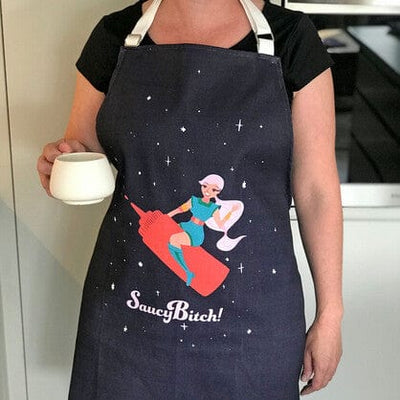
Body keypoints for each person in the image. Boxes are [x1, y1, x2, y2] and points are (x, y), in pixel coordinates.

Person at [37, 0, 343, 398]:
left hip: (251, 325)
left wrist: (330, 314)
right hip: (130, 320)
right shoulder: (114, 36)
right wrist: (61, 163)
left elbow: (317, 191)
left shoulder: (292, 39)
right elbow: (84, 151)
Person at [167, 174, 245, 286]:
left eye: (213, 189)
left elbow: (220, 224)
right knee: (168, 232)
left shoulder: (213, 208)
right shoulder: (193, 200)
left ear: (217, 192)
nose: (208, 191)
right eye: (205, 186)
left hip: (196, 234)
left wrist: (231, 211)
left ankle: (187, 272)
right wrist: (166, 216)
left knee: (174, 239)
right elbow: (179, 210)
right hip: (187, 225)